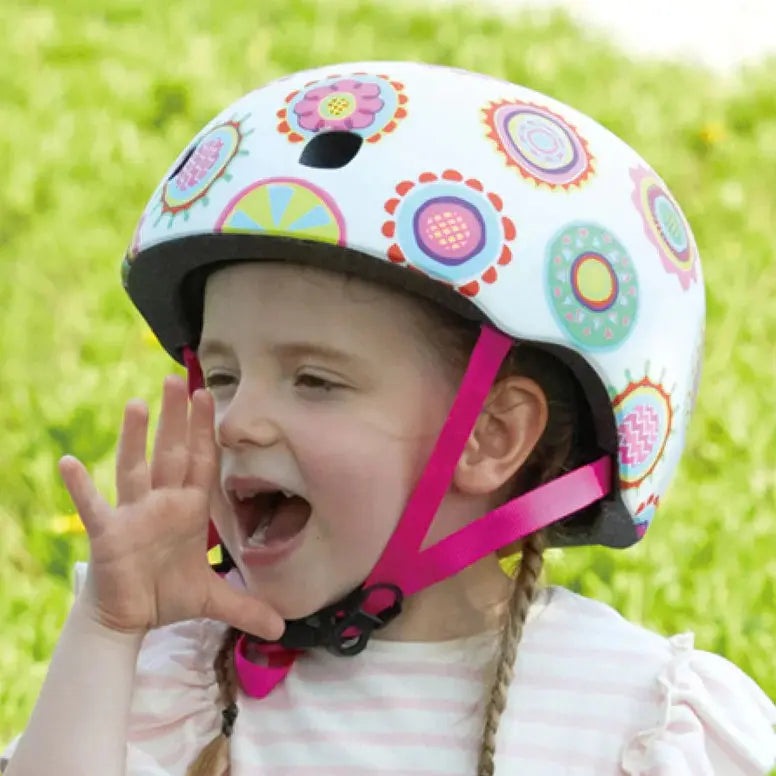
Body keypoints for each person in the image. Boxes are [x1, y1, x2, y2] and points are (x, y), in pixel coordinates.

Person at [3, 60, 774, 776]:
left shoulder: (632, 715)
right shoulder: (171, 680)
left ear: (491, 436)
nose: (238, 423)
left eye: (313, 380)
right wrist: (108, 632)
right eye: (226, 375)